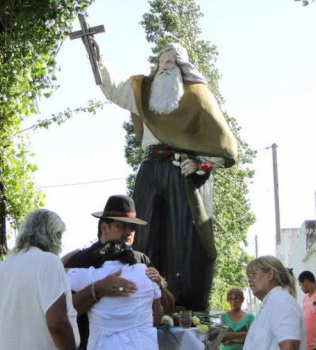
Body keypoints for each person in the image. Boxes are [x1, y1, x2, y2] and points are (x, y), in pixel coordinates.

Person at [94, 41, 238, 310]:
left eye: (170, 62)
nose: (164, 67)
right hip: (150, 169)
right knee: (145, 233)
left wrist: (198, 162)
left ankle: (183, 303)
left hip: (180, 172)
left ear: (181, 67)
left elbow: (224, 146)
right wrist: (99, 58)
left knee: (183, 235)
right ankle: (144, 296)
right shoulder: (145, 92)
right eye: (161, 62)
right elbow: (114, 90)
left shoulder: (197, 95)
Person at [63, 195, 175, 350]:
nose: (129, 232)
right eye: (122, 226)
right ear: (104, 227)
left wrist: (160, 286)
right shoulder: (82, 260)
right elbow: (64, 310)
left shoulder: (141, 261)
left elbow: (167, 308)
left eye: (132, 228)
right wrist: (97, 289)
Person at [0, 209, 79, 350]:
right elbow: (57, 323)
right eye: (60, 237)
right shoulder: (48, 262)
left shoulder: (0, 270)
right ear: (54, 236)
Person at [67, 240, 163, 349]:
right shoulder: (147, 274)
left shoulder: (93, 275)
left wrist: (73, 253)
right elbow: (157, 318)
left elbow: (57, 271)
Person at [243, 256, 304, 350]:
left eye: (253, 275)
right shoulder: (270, 303)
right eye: (248, 277)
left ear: (270, 274)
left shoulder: (281, 302)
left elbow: (289, 346)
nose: (249, 280)